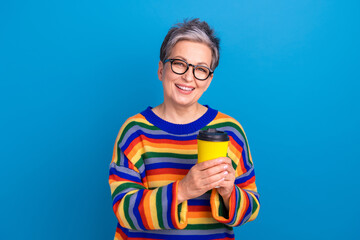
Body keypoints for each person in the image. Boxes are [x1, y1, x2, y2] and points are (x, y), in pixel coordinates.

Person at [108, 18, 260, 240]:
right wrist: (183, 190)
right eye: (179, 63)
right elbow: (124, 209)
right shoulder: (135, 132)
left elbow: (251, 206)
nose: (188, 77)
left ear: (209, 79)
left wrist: (229, 193)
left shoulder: (230, 131)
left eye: (201, 69)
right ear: (161, 70)